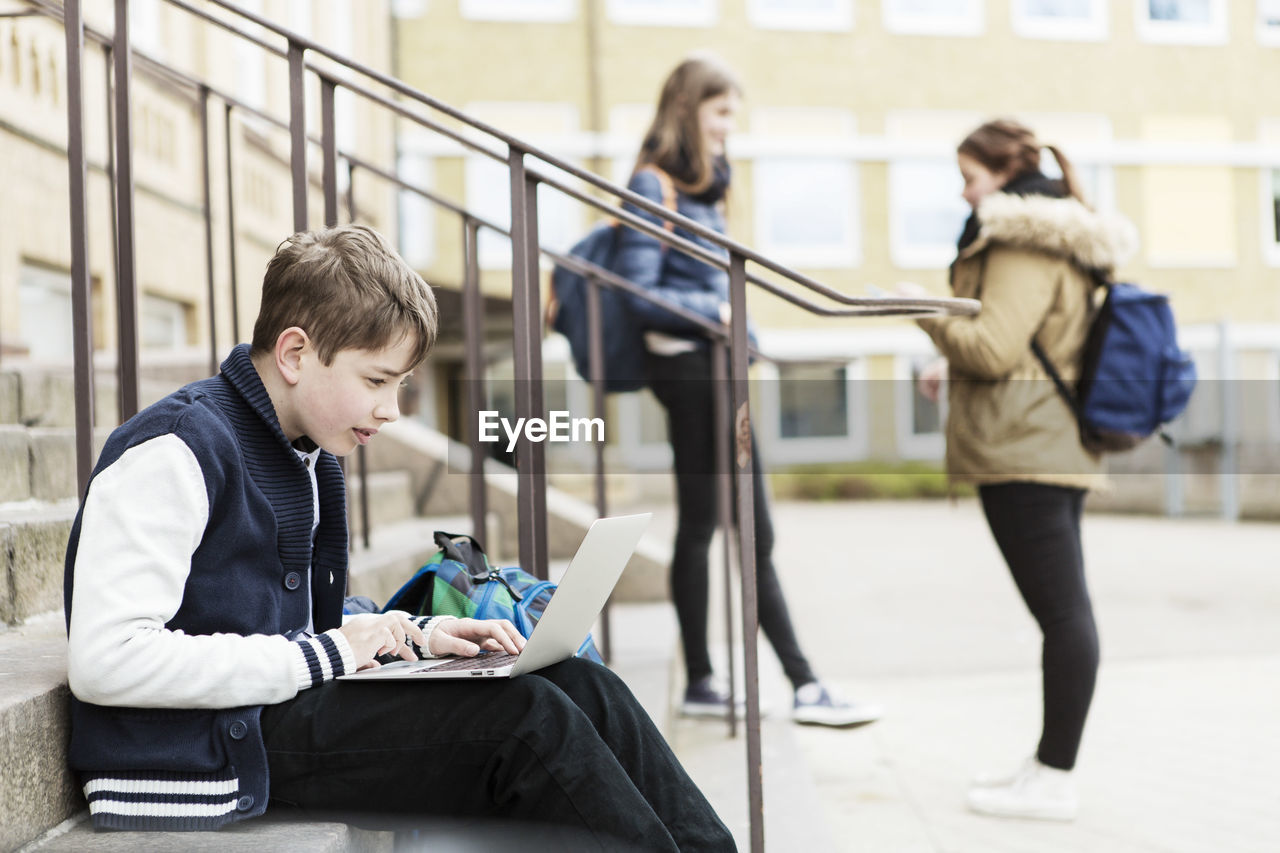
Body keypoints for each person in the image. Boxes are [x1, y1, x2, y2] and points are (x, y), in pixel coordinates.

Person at [62, 224, 735, 851]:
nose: (391, 408)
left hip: (271, 710)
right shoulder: (176, 449)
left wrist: (409, 634)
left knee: (580, 683)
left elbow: (283, 623)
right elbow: (107, 657)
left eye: (402, 384)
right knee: (526, 719)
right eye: (377, 380)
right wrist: (327, 653)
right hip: (208, 748)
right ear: (296, 352)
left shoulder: (306, 451)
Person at [612, 54, 881, 728]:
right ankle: (801, 683)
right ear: (689, 110)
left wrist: (742, 325)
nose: (731, 127)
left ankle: (711, 679)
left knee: (709, 525)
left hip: (716, 366)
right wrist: (718, 315)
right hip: (693, 371)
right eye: (722, 112)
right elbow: (639, 291)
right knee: (745, 529)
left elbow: (719, 284)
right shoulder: (653, 183)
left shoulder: (701, 187)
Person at [907, 119, 1135, 821]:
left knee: (1063, 613)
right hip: (1044, 442)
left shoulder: (1019, 240)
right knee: (1064, 611)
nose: (962, 190)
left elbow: (996, 347)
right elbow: (1025, 343)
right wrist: (955, 357)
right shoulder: (1053, 233)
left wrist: (922, 311)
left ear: (1004, 175)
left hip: (1024, 448)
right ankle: (1045, 765)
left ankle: (1056, 777)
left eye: (970, 176)